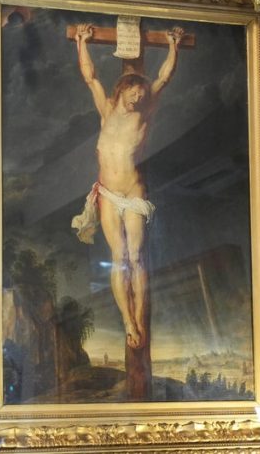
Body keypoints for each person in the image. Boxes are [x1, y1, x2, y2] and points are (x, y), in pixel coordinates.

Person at [70, 22, 184, 349]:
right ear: (122, 89)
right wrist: (81, 42)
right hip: (107, 193)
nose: (138, 96)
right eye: (134, 91)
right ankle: (128, 320)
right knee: (119, 257)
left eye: (141, 94)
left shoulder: (143, 116)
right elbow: (90, 77)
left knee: (136, 257)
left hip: (133, 193)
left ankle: (139, 314)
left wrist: (173, 46)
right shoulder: (106, 110)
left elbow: (163, 79)